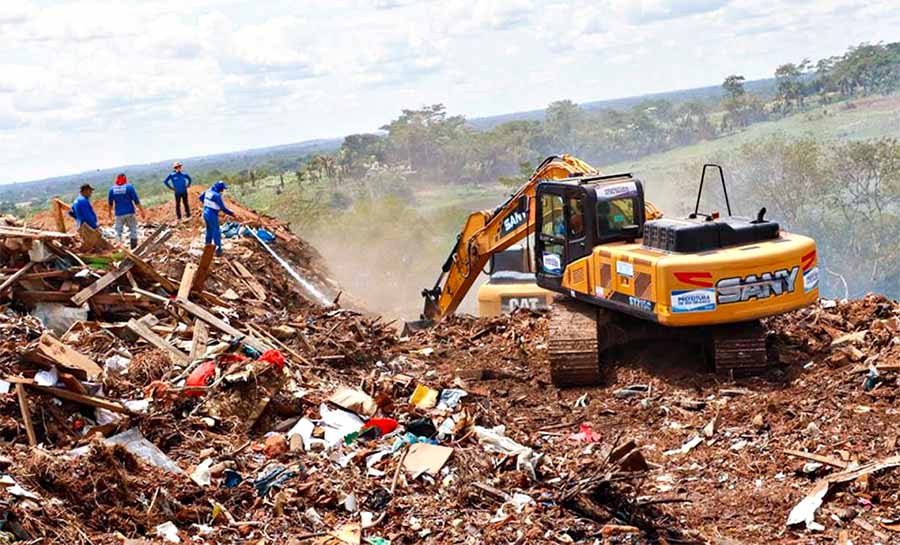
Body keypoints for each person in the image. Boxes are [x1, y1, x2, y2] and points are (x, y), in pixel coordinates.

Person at [107, 173, 146, 249]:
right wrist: (142, 211)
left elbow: (110, 203)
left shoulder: (112, 189)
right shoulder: (129, 187)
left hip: (119, 214)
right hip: (130, 212)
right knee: (133, 229)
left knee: (118, 231)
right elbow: (136, 200)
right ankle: (134, 248)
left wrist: (109, 214)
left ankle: (120, 247)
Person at [199, 181, 236, 256]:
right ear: (220, 188)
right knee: (216, 231)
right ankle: (218, 250)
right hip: (212, 214)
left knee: (209, 230)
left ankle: (207, 247)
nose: (223, 191)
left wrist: (207, 204)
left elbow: (200, 197)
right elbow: (223, 208)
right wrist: (232, 214)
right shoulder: (216, 195)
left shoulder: (208, 191)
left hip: (205, 212)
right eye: (222, 189)